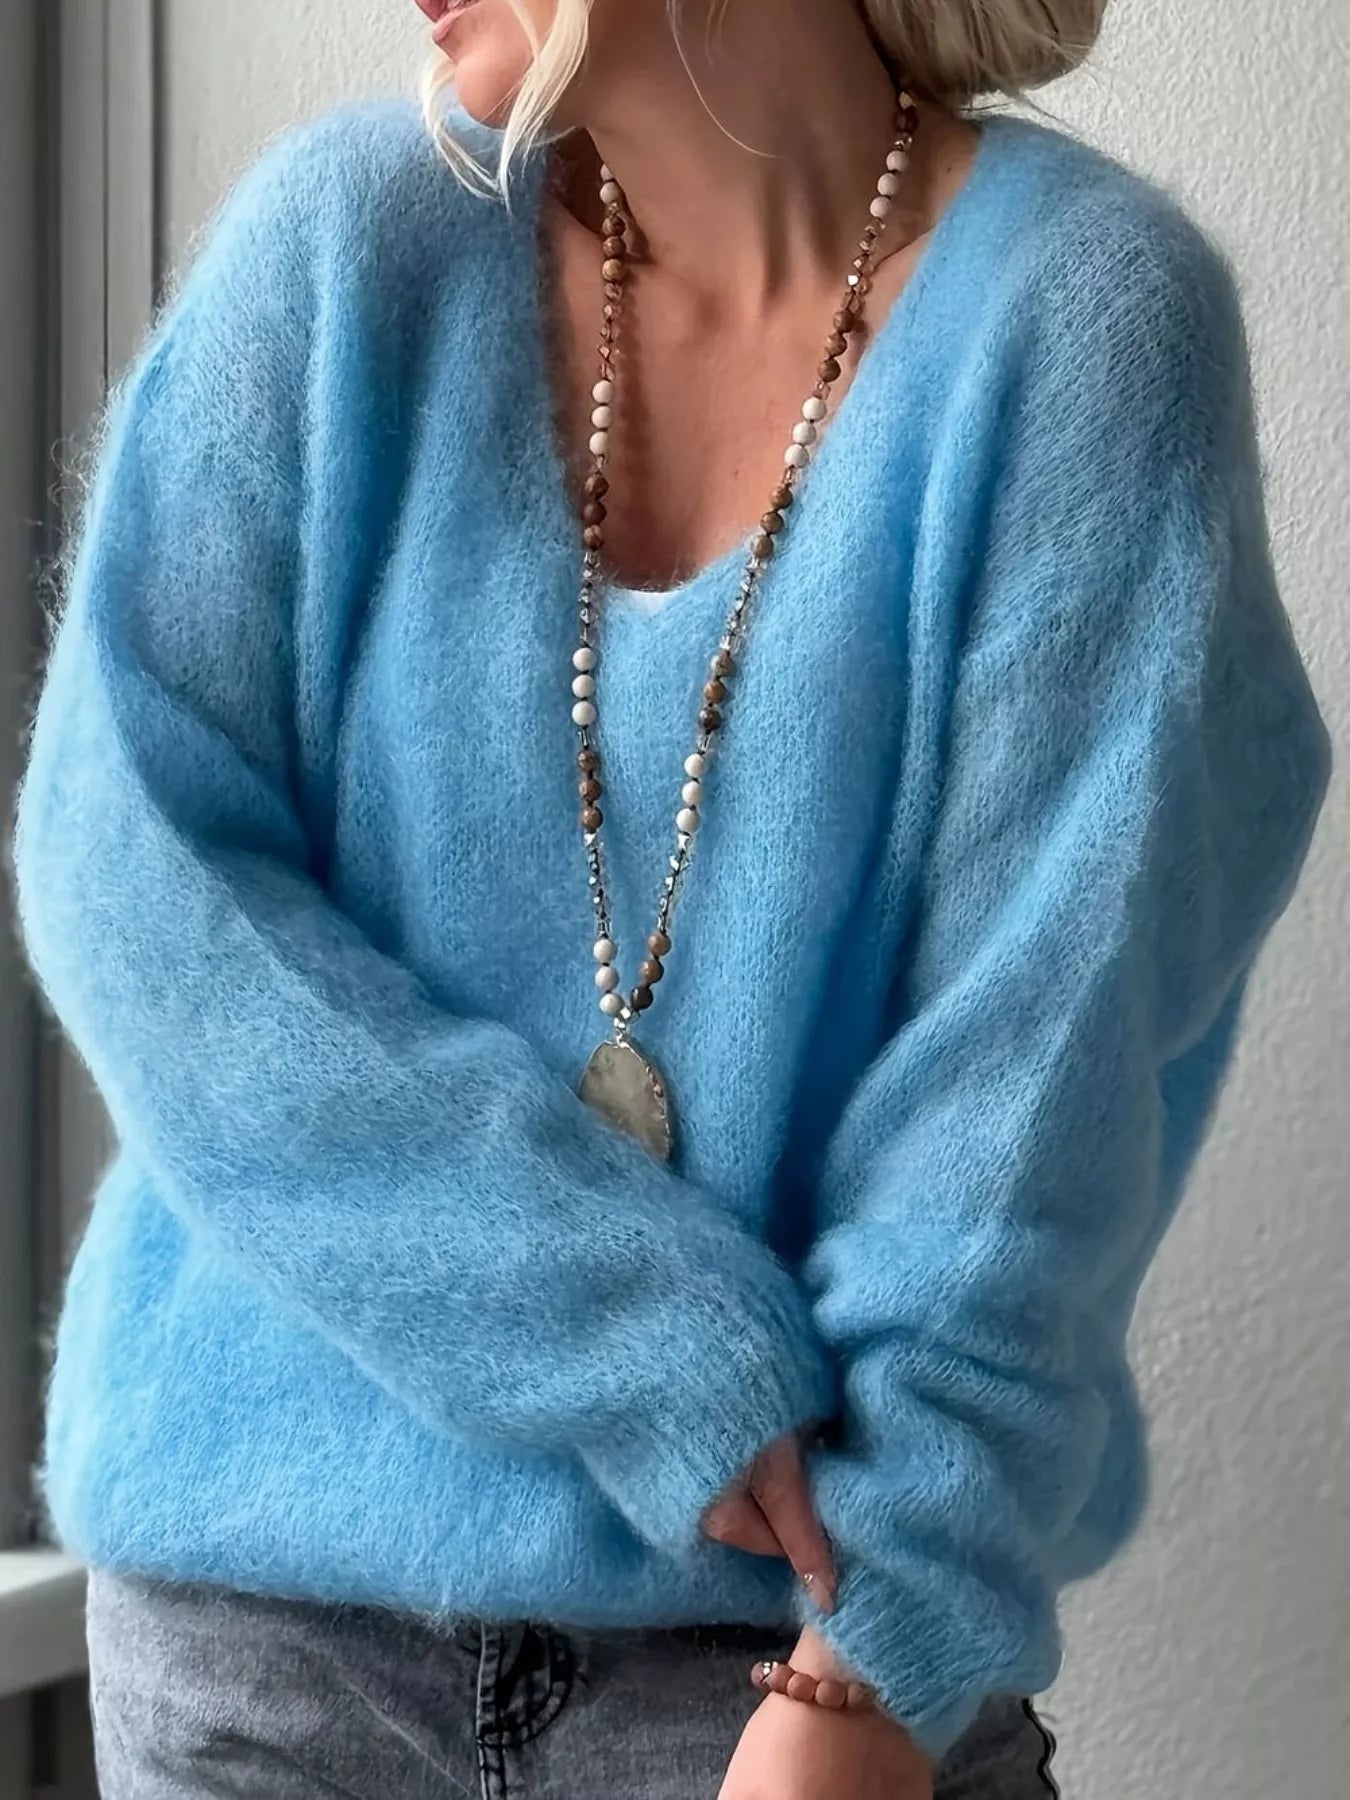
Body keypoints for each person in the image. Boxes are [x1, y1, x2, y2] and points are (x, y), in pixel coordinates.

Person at [9, 0, 1332, 1795]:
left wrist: (871, 1661)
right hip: (264, 1651)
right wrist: (635, 1335)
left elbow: (1045, 1060)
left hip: (786, 1660)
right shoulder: (345, 248)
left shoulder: (1082, 329)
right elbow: (136, 880)